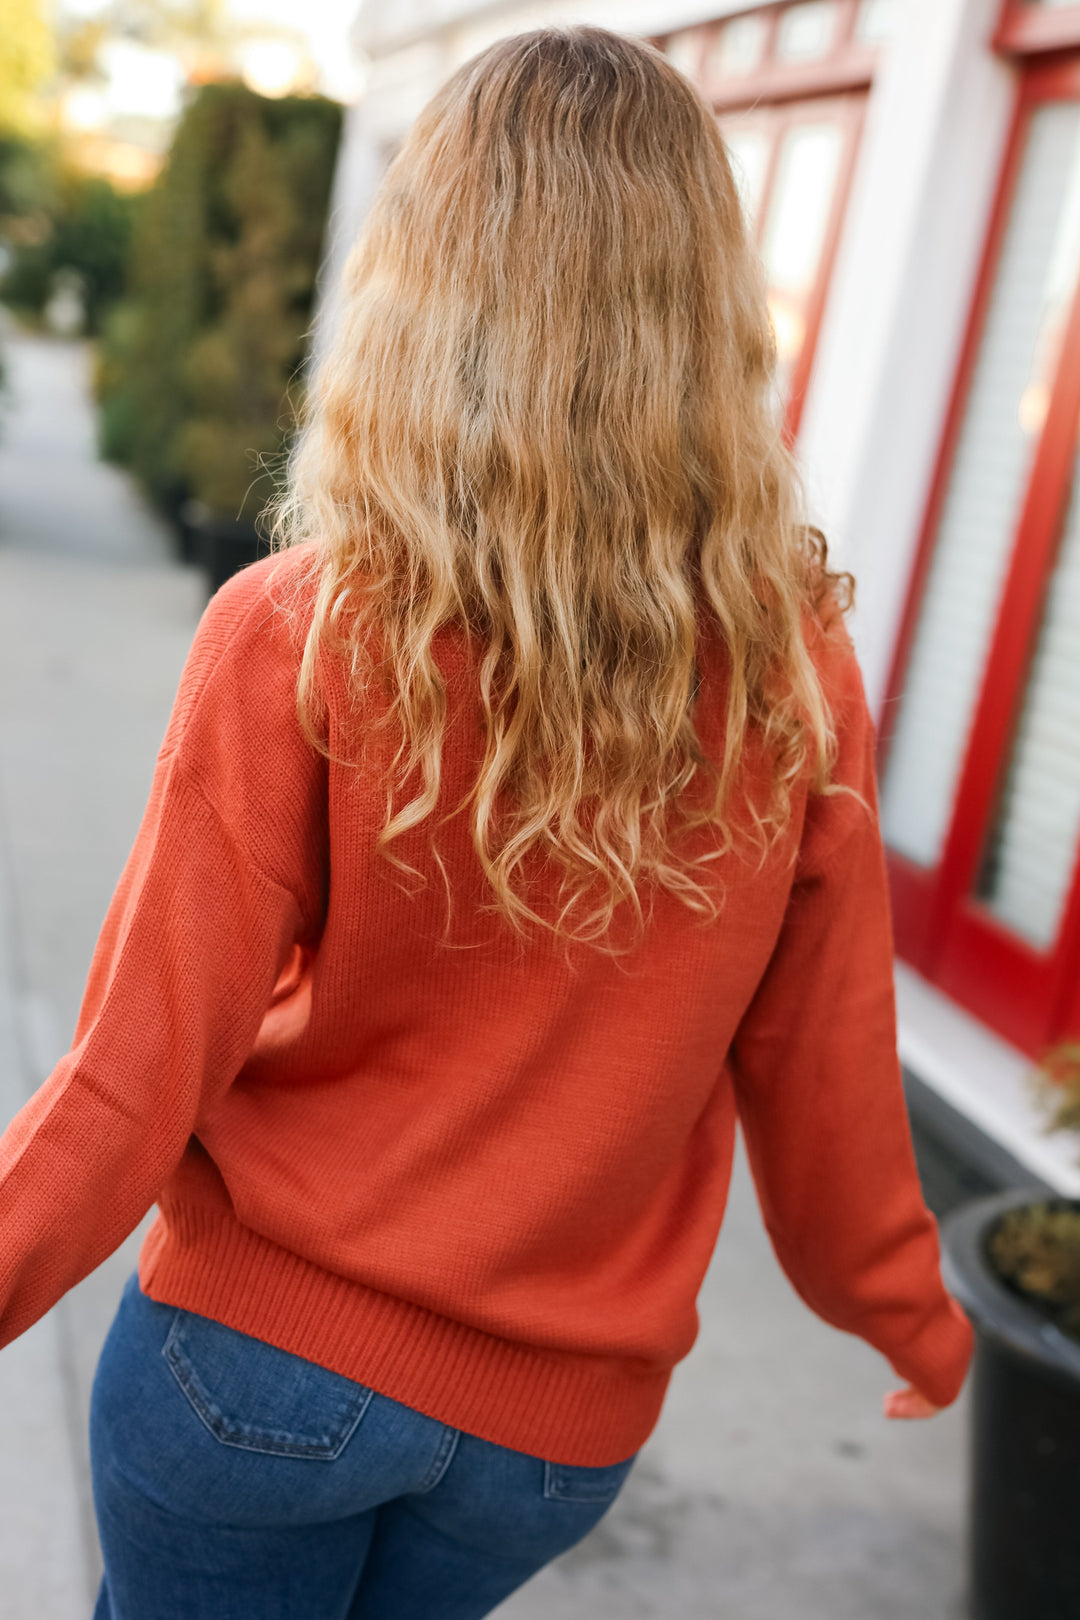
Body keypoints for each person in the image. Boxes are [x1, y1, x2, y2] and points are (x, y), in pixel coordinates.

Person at [0, 25, 972, 1620]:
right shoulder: (794, 662)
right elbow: (828, 1057)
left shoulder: (305, 627)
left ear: (424, 280)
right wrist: (906, 1312)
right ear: (702, 310)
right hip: (547, 1444)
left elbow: (135, 1068)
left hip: (255, 1374)